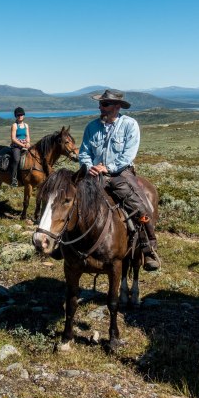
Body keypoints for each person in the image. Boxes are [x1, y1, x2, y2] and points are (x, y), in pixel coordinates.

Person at [78, 89, 161, 271]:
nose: (100, 107)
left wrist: (107, 168)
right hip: (93, 173)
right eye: (100, 104)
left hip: (120, 173)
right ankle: (62, 244)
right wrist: (89, 166)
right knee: (68, 198)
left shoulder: (130, 125)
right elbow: (84, 152)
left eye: (105, 104)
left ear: (117, 106)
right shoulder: (91, 127)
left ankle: (148, 248)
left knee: (139, 206)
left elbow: (128, 154)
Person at [9, 107, 31, 187]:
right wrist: (22, 145)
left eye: (21, 114)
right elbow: (13, 139)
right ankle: (14, 179)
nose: (20, 116)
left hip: (25, 145)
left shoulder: (26, 125)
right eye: (18, 115)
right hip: (16, 146)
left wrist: (28, 143)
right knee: (16, 159)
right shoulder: (14, 125)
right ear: (16, 116)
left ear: (23, 115)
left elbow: (27, 136)